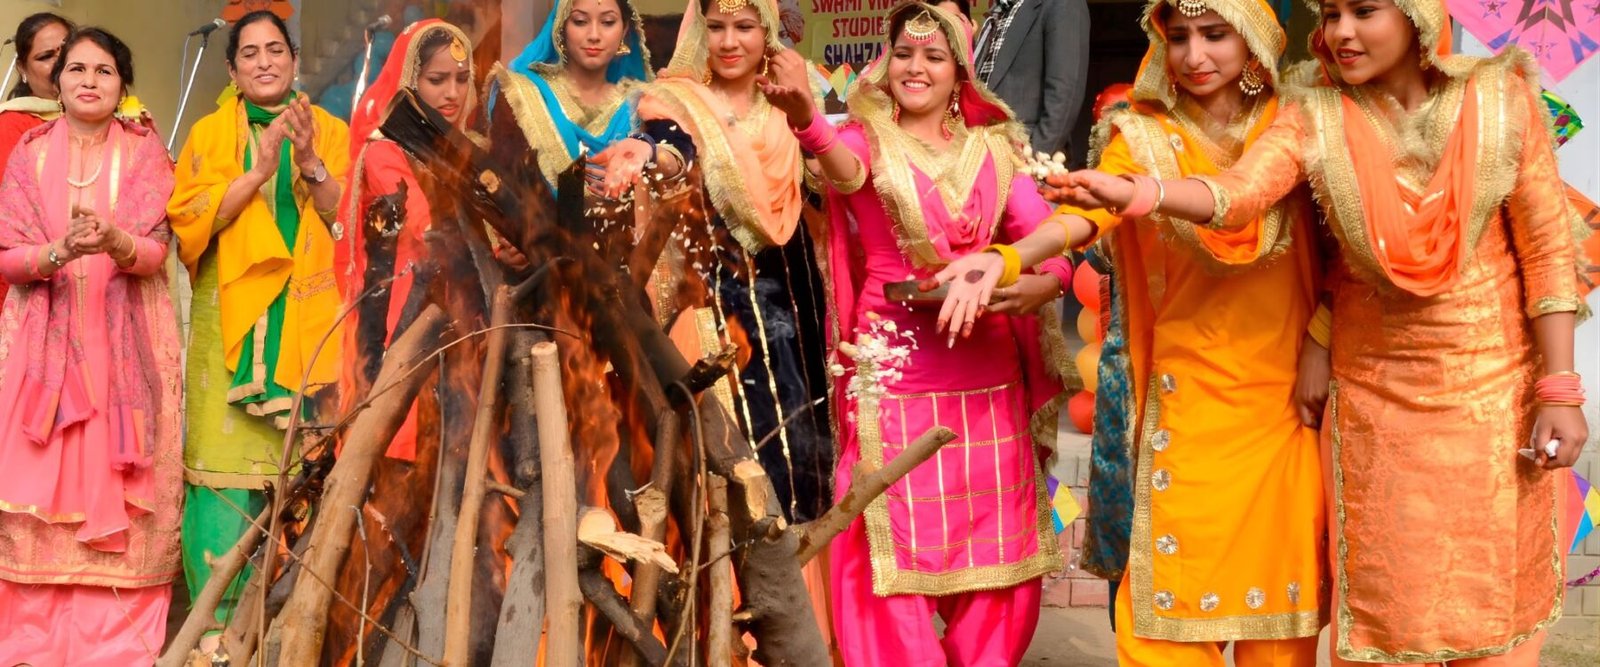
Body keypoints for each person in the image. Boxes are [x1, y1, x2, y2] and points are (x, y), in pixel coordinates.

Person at [1052, 0, 1586, 664]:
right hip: (1374, 400)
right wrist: (1143, 193)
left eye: (1364, 11)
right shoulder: (1316, 114)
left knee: (1493, 604)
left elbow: (1547, 251)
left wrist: (1560, 389)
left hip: (1494, 393)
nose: (1341, 32)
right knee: (1389, 614)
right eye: (1331, 14)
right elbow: (1239, 195)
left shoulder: (1501, 99)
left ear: (1419, 16)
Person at [758, 3, 1076, 662]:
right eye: (904, 53)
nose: (916, 67)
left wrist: (1045, 283)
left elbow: (1048, 239)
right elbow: (842, 170)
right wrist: (807, 119)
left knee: (997, 552)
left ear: (960, 71)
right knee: (887, 546)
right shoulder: (864, 140)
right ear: (886, 61)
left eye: (934, 56)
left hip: (989, 382)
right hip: (893, 375)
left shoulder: (996, 149)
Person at [1048, 1, 1326, 664]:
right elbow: (1093, 213)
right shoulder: (1141, 134)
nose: (1195, 56)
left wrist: (1323, 336)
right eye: (1179, 37)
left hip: (1284, 404)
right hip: (1185, 403)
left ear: (1253, 39)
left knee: (1277, 626)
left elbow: (1348, 254)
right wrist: (1013, 257)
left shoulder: (1301, 125)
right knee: (1160, 631)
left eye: (1214, 34)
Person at [167, 10, 350, 653]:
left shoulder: (329, 129)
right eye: (250, 53)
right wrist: (258, 170)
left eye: (276, 50)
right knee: (219, 482)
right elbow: (190, 223)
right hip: (226, 331)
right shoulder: (210, 133)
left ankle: (285, 636)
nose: (265, 62)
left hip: (307, 329)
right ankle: (215, 639)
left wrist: (309, 160)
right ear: (231, 68)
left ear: (295, 60)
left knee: (298, 480)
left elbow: (347, 224)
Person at [0, 27, 183, 665]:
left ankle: (114, 643)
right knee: (40, 480)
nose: (89, 80)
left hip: (124, 349)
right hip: (39, 354)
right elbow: (8, 257)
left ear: (122, 84)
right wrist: (57, 252)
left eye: (104, 71)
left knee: (119, 479)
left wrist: (114, 242)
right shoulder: (28, 153)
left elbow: (157, 251)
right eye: (76, 68)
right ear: (55, 82)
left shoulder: (145, 153)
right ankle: (31, 638)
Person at [617, 0, 834, 527]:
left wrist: (806, 115)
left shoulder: (799, 95)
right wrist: (647, 153)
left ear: (768, 30)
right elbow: (673, 150)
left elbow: (827, 190)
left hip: (794, 295)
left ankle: (803, 568)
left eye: (744, 27)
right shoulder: (678, 102)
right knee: (734, 452)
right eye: (716, 27)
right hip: (715, 299)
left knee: (804, 439)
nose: (729, 41)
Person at [339, 19, 476, 462]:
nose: (452, 93)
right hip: (401, 310)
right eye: (437, 80)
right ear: (408, 81)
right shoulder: (384, 148)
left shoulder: (464, 144)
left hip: (459, 302)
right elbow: (424, 225)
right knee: (399, 445)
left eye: (462, 79)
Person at [486, 0, 655, 192]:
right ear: (561, 25)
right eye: (580, 21)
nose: (594, 35)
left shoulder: (642, 104)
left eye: (608, 22)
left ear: (624, 30)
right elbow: (504, 187)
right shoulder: (522, 95)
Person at [972, 0, 1090, 156]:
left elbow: (1064, 94)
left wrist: (1034, 157)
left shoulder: (1062, 4)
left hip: (1025, 155)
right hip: (983, 153)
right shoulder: (1001, 10)